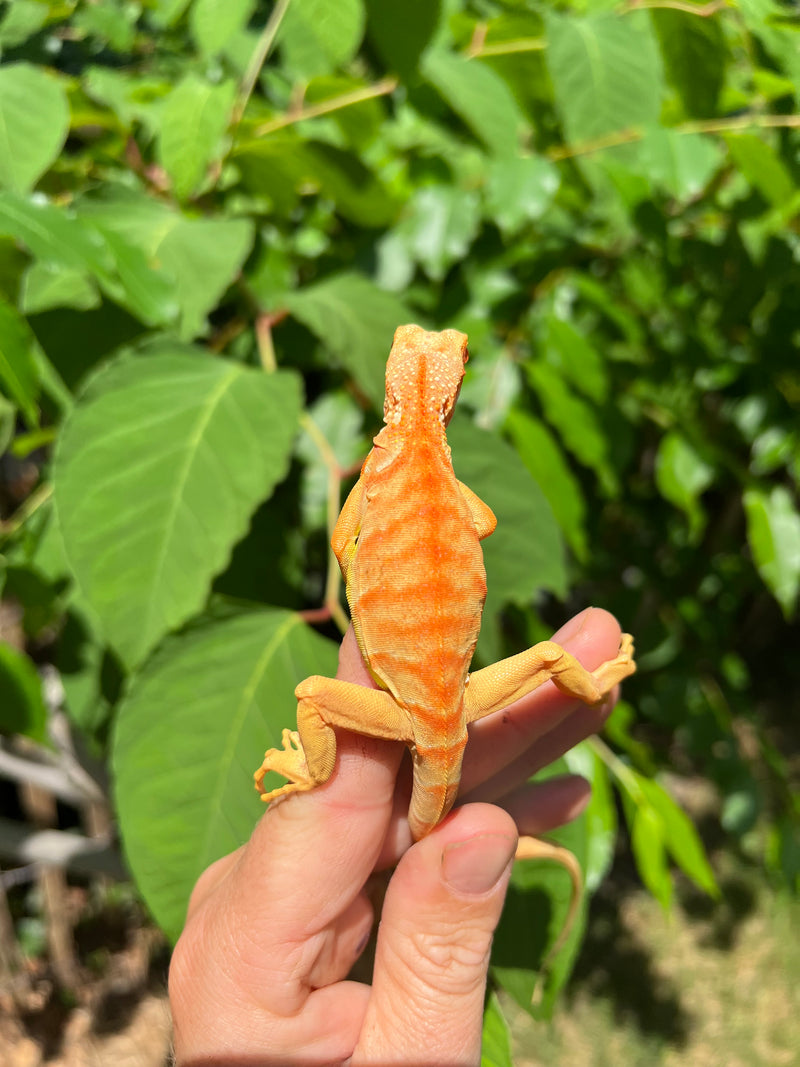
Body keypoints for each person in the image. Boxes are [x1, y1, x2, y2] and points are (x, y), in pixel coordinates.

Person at [169, 607, 624, 1066]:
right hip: (455, 702)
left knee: (317, 700)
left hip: (429, 708)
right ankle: (594, 687)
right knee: (549, 657)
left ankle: (316, 772)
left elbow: (345, 548)